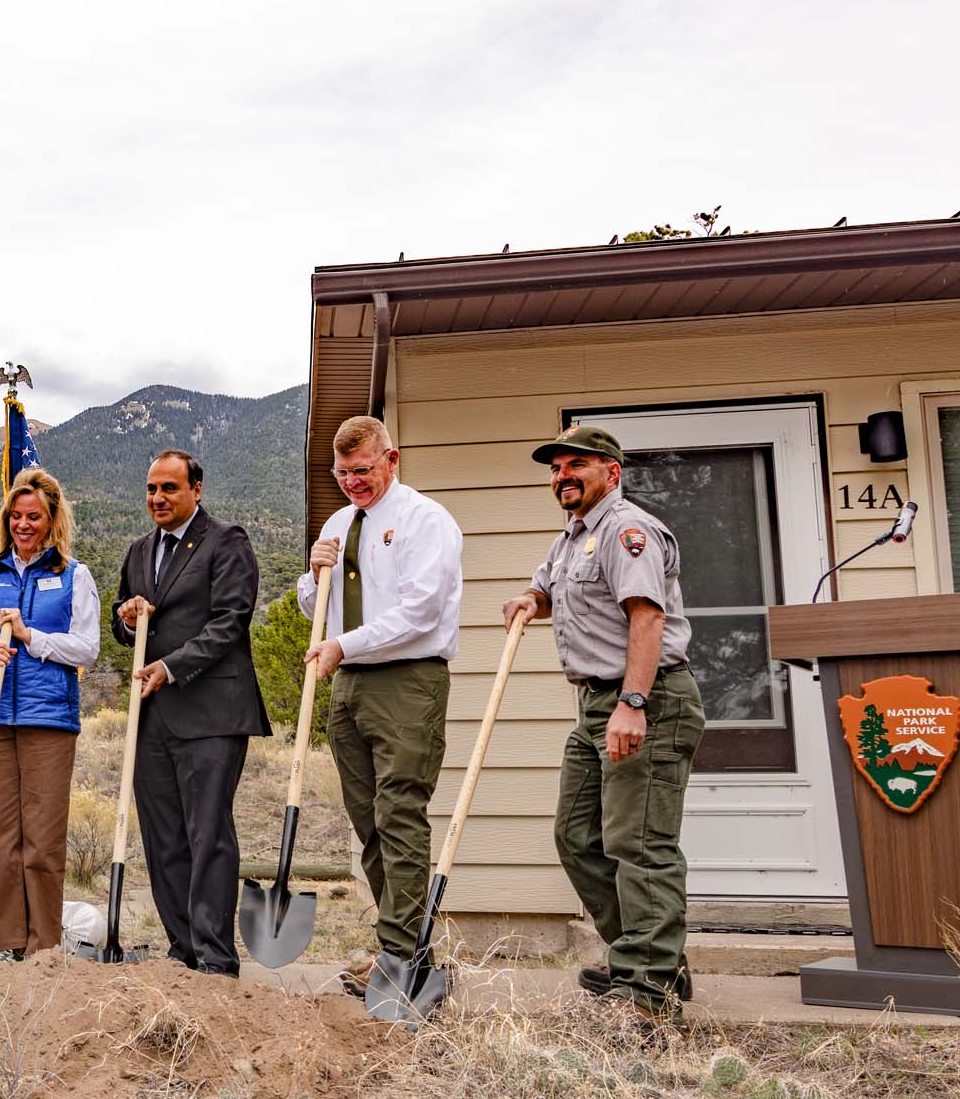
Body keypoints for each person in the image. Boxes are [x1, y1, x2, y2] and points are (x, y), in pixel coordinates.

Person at [502, 423, 705, 1021]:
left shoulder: (626, 531)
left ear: (611, 473)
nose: (562, 476)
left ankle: (646, 992)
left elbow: (646, 620)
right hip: (594, 704)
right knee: (577, 836)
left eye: (576, 466)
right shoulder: (572, 538)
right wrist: (528, 602)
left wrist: (633, 704)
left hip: (647, 699)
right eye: (556, 468)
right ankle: (646, 957)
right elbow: (549, 590)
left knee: (638, 844)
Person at [298, 416, 463, 995]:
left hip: (407, 681)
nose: (352, 483)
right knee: (368, 823)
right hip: (350, 685)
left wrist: (344, 645)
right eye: (342, 473)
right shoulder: (341, 523)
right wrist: (314, 574)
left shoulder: (426, 521)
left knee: (400, 815)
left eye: (362, 470)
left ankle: (402, 957)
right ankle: (405, 948)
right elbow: (317, 607)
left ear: (392, 460)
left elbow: (420, 610)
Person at [112, 449, 269, 976]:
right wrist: (129, 620)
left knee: (208, 834)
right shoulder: (137, 552)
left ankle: (216, 957)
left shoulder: (226, 542)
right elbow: (123, 626)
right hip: (152, 716)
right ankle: (181, 949)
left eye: (170, 488)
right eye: (152, 489)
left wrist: (171, 666)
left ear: (195, 490)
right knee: (164, 838)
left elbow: (231, 621)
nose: (158, 498)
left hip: (211, 712)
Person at [0, 469, 101, 958]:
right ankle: (8, 943)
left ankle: (43, 947)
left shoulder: (73, 575)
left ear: (52, 518)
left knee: (42, 840)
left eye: (33, 516)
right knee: (0, 836)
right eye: (15, 516)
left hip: (49, 720)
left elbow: (86, 649)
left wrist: (31, 637)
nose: (23, 525)